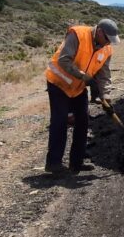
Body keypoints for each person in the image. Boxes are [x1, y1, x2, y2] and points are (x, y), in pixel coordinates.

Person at [44, 19, 119, 173]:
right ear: (99, 31)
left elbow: (104, 75)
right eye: (106, 39)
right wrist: (84, 77)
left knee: (83, 122)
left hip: (78, 88)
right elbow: (63, 60)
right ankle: (53, 163)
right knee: (60, 122)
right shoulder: (77, 34)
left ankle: (76, 163)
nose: (107, 44)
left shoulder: (106, 49)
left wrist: (106, 95)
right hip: (59, 83)